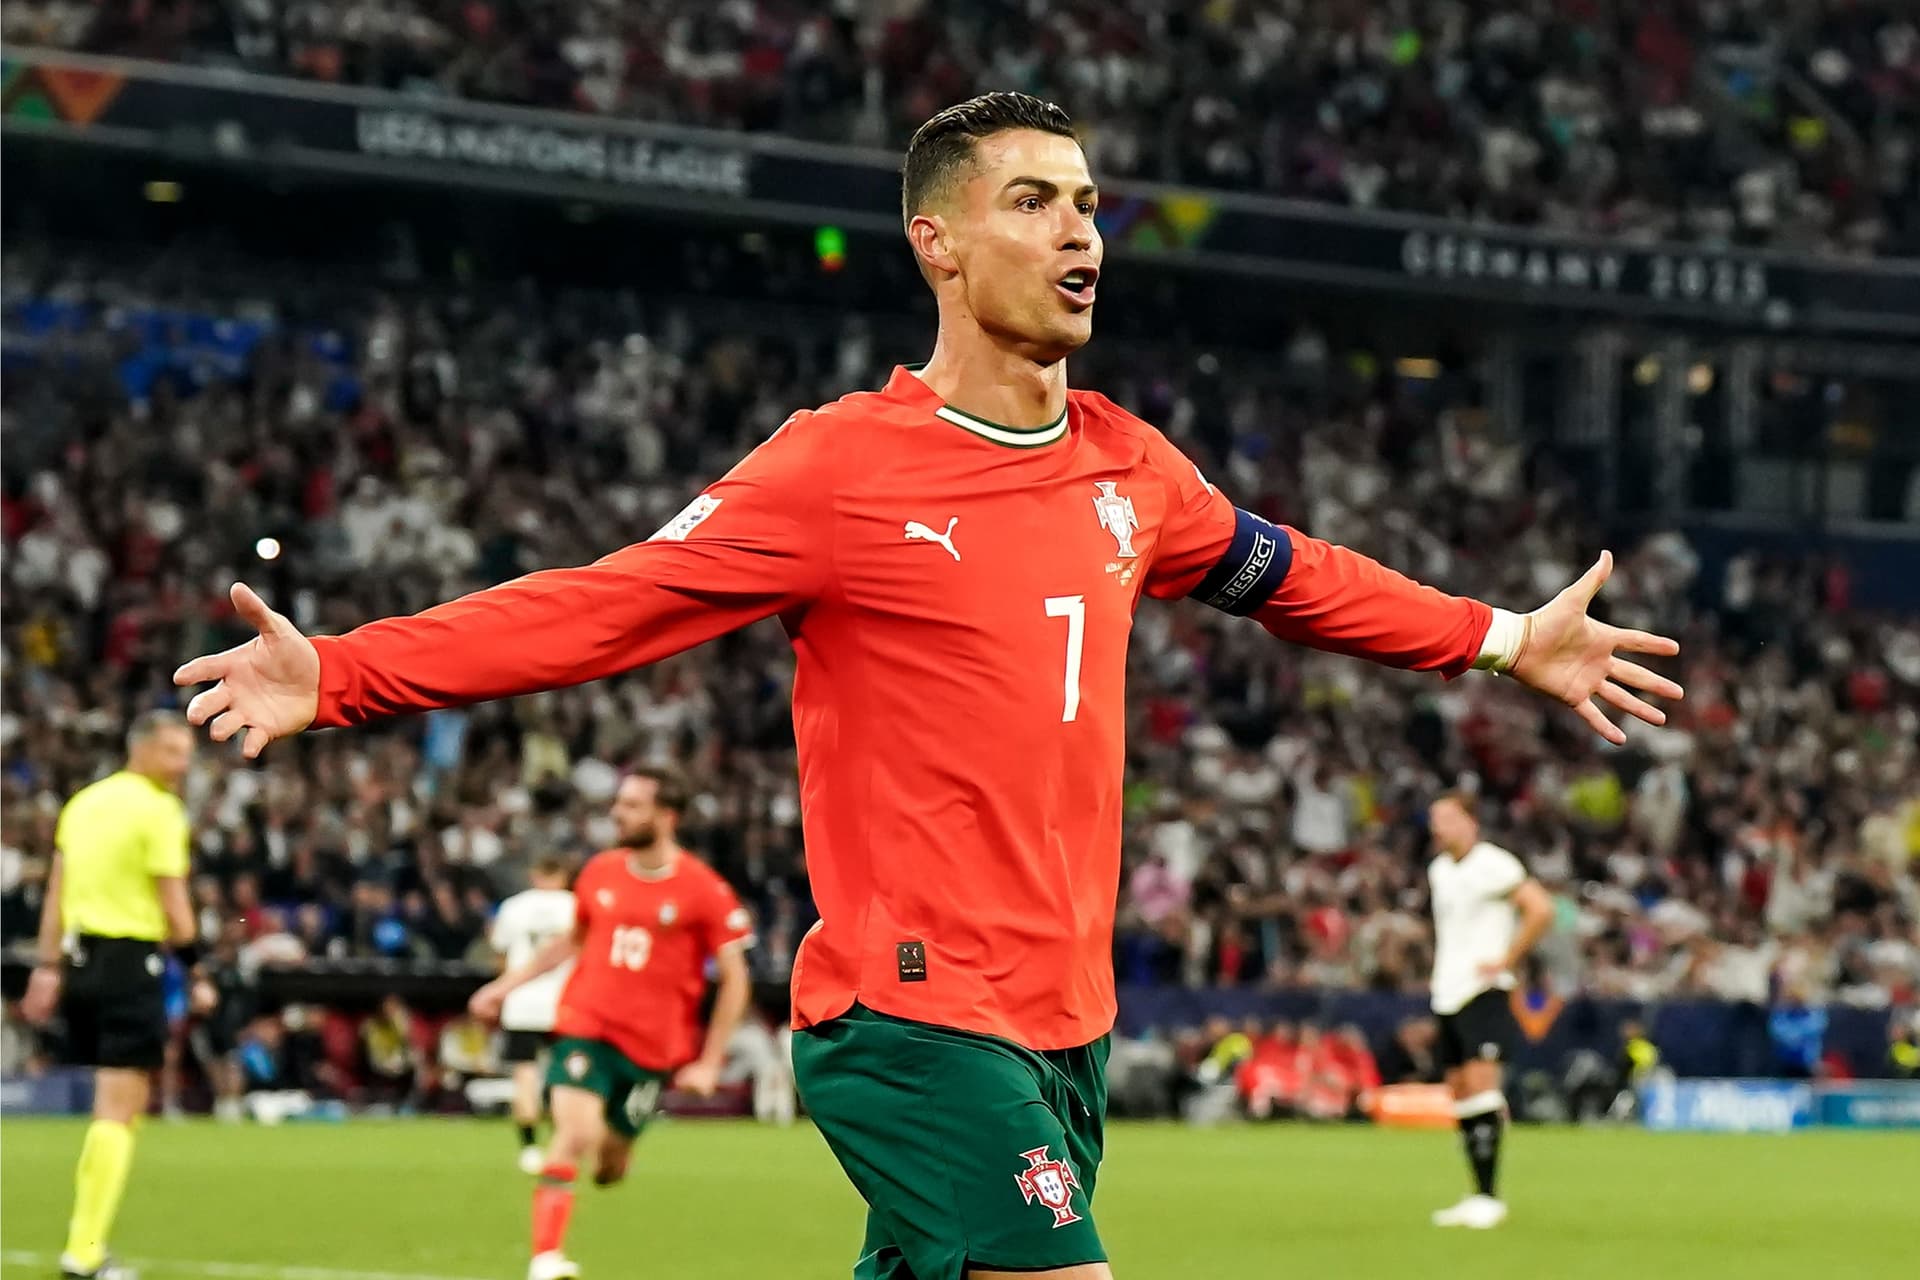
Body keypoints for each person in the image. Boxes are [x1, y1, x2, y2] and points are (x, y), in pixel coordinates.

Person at [173, 92, 1682, 1280]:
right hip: (910, 1017)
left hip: (1066, 1020)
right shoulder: (839, 468)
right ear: (938, 245)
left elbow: (1296, 577)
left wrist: (1500, 637)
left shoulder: (1129, 467)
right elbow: (612, 604)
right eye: (1033, 201)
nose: (1081, 230)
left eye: (1090, 202)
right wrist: (351, 674)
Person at [467, 768, 754, 1280]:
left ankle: (609, 1160)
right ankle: (546, 1257)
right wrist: (504, 986)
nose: (617, 813)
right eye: (619, 803)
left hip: (652, 1048)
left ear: (667, 816)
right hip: (586, 1025)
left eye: (632, 805)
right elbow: (572, 942)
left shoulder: (703, 890)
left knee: (609, 1167)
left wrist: (710, 1061)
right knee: (573, 1134)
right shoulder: (599, 871)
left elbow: (735, 978)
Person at [20, 711, 213, 1280]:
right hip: (132, 962)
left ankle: (85, 1245)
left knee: (110, 1110)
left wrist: (47, 966)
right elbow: (175, 907)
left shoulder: (83, 804)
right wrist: (198, 972)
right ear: (144, 749)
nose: (183, 765)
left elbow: (57, 891)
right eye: (174, 752)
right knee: (119, 1112)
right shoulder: (158, 811)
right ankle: (83, 1252)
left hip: (80, 963)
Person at [1424, 791, 1556, 1230]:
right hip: (1448, 989)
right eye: (1434, 818)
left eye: (1446, 817)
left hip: (1483, 990)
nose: (1437, 826)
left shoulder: (1494, 864)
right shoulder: (1439, 870)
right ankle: (1474, 1191)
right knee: (1460, 1090)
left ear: (1470, 823)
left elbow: (1540, 909)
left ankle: (1489, 1196)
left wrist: (1507, 958)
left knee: (1482, 1087)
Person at [488, 854, 578, 1173]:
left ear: (534, 874)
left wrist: (504, 989)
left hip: (522, 1003)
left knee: (525, 1075)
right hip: (565, 1004)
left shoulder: (514, 907)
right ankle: (562, 1146)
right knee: (564, 1079)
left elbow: (498, 954)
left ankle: (528, 1148)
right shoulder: (575, 906)